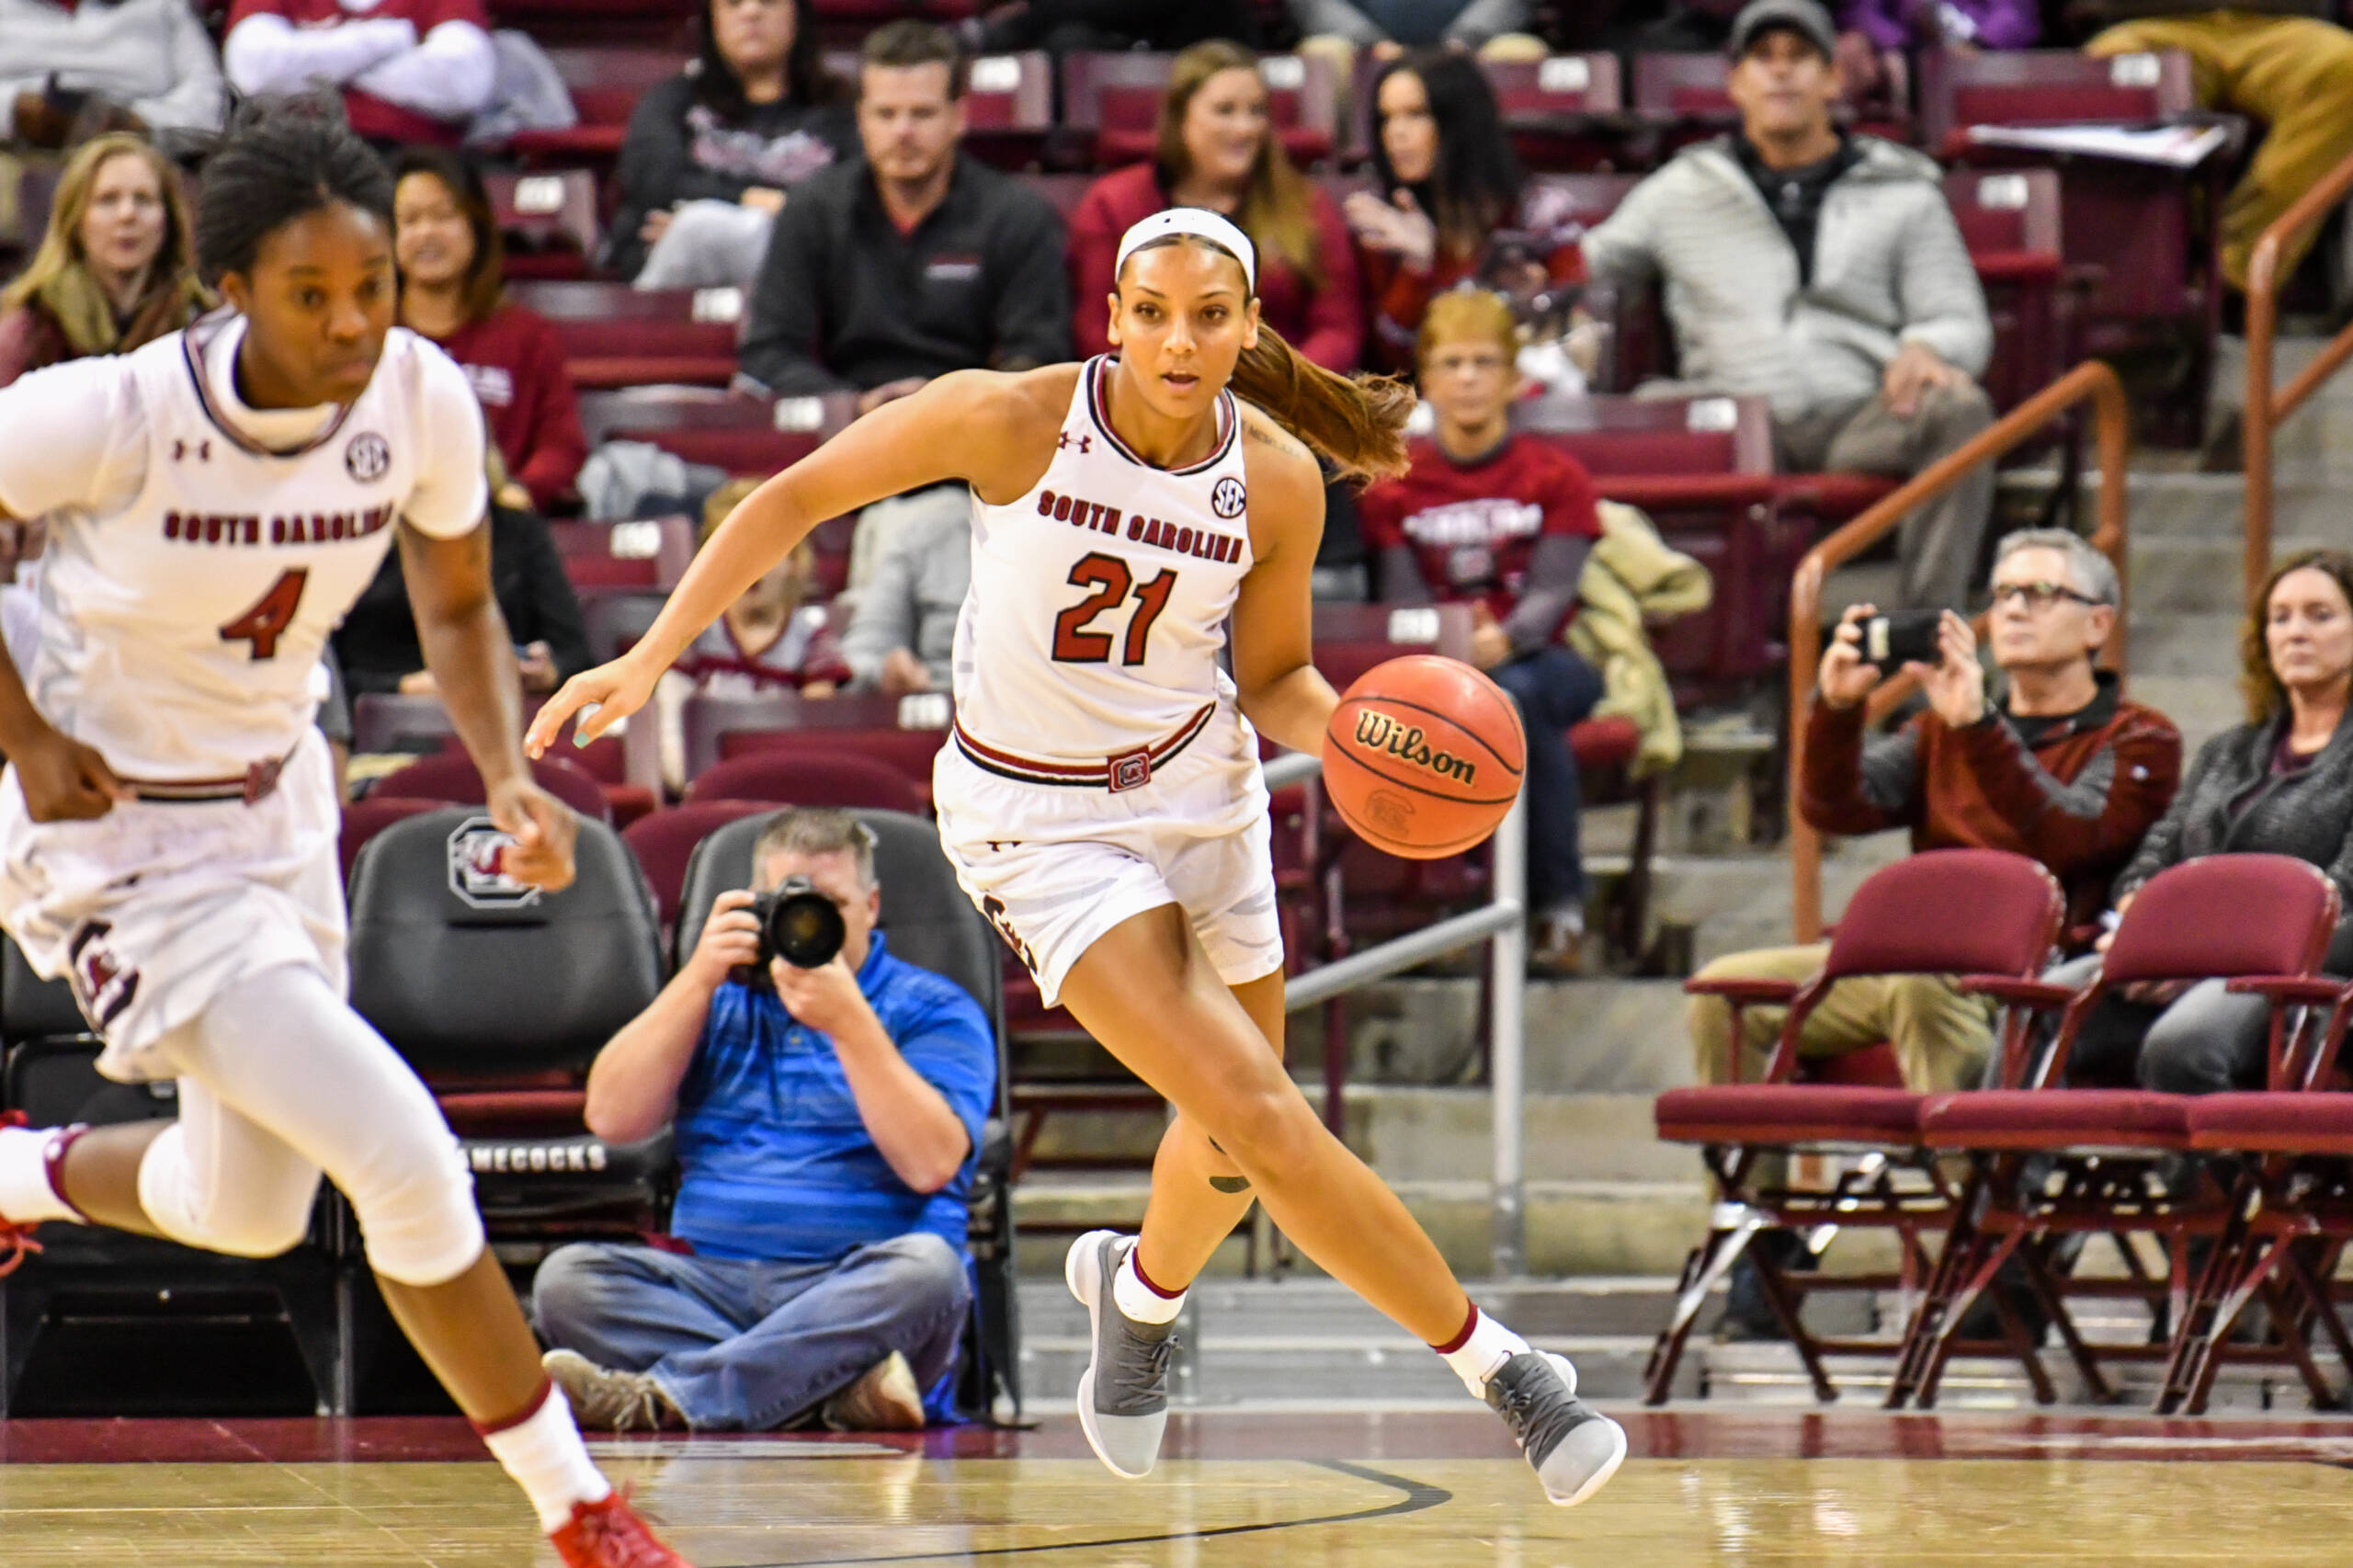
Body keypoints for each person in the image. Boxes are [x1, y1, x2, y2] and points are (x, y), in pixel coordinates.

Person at [527, 205, 1629, 1506]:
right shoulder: (1012, 419)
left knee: (1227, 1137)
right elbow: (796, 494)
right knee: (1267, 1116)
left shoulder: (1273, 478)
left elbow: (1272, 674)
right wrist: (651, 656)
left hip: (1199, 787)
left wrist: (1351, 738)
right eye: (1151, 311)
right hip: (1037, 820)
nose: (1178, 338)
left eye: (1209, 316)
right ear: (1113, 317)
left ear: (1248, 327)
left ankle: (1139, 1287)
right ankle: (1509, 1373)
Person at [0, 98, 686, 1565]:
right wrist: (26, 731)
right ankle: (582, 1507)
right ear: (229, 289)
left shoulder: (421, 398)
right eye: (310, 295)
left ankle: (13, 1172)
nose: (352, 323)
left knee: (244, 1205)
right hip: (111, 840)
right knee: (404, 1157)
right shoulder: (111, 413)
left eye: (370, 287)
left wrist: (504, 773)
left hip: (276, 806)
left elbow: (456, 602)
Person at [1691, 528, 2178, 1338]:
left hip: (2034, 975)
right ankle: (1761, 1240)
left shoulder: (2139, 736)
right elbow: (1835, 807)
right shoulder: (1936, 729)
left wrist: (1981, 726)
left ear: (2099, 624)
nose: (2014, 609)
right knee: (1728, 989)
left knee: (1922, 986)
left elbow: (2073, 836)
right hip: (1915, 958)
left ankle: (1989, 1235)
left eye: (2041, 594)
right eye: (2004, 593)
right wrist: (1839, 707)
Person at [534, 809, 995, 1433]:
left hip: (857, 1282)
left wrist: (849, 1022)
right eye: (790, 904)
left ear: (870, 905)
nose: (809, 922)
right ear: (756, 908)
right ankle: (830, 1391)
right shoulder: (715, 998)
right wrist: (696, 979)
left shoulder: (933, 1009)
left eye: (830, 903)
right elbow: (612, 1119)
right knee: (568, 1282)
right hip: (711, 1280)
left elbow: (932, 1164)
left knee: (930, 1272)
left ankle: (669, 1400)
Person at [1580, 0, 1995, 613]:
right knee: (1646, 413)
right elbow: (1584, 267)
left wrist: (1928, 346)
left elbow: (1961, 316)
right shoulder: (1680, 188)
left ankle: (1924, 630)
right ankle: (1706, 636)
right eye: (1763, 59)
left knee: (1960, 407)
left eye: (1799, 58)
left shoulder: (1902, 187)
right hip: (1736, 416)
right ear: (1735, 81)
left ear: (1832, 78)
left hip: (1864, 413)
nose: (1780, 73)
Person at [739, 22, 1072, 698]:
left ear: (959, 117)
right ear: (860, 118)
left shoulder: (1017, 218)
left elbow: (1040, 358)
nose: (904, 132)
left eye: (922, 113)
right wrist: (854, 408)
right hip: (846, 442)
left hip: (971, 453)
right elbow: (768, 350)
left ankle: (917, 678)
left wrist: (950, 408)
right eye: (886, 114)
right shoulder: (814, 210)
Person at [1357, 290, 1604, 968]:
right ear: (1426, 379)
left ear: (1514, 378)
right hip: (1441, 665)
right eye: (1453, 363)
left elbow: (1554, 592)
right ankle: (1440, 902)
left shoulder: (1557, 476)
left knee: (1514, 703)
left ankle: (1558, 905)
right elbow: (1404, 600)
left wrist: (1505, 639)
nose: (1468, 378)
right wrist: (1455, 650)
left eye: (1484, 363)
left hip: (1547, 659)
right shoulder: (1393, 485)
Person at [2053, 549, 2353, 1096]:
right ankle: (2000, 1175)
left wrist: (2207, 952)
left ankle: (2207, 1183)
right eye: (2280, 618)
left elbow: (2343, 896)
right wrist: (2139, 916)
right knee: (2041, 1008)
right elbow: (2155, 855)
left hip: (2304, 976)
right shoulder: (2227, 752)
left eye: (2320, 615)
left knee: (2184, 1043)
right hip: (2177, 960)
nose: (2295, 633)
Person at [1067, 40, 1363, 374]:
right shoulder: (1113, 204)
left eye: (1256, 111)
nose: (1245, 128)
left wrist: (1282, 387)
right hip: (1154, 400)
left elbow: (1337, 329)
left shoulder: (1306, 206)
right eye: (1225, 110)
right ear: (1181, 119)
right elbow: (1098, 330)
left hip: (1282, 404)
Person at [2059, 0, 2353, 294]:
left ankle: (2237, 273)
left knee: (2347, 68)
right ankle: (2156, 264)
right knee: (2115, 66)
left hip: (2281, 22)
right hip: (2153, 23)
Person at [1347, 51, 1579, 374]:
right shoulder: (1379, 221)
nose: (1396, 133)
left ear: (1461, 120)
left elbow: (1581, 338)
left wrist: (1534, 304)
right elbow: (1392, 365)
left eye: (1417, 114)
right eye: (1387, 118)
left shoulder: (1539, 212)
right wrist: (1417, 267)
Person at [608, 0, 856, 289]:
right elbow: (655, 181)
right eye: (733, 3)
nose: (751, 12)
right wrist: (759, 201)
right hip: (675, 286)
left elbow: (853, 203)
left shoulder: (843, 109)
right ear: (712, 19)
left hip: (806, 275)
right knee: (701, 230)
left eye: (769, 1)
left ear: (798, 14)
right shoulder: (672, 100)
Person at [392, 147, 585, 513]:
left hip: (500, 526)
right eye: (410, 219)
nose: (426, 233)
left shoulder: (527, 335)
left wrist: (518, 495)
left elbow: (561, 446)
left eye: (444, 216)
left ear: (477, 225)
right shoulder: (370, 336)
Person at [333, 463, 592, 699]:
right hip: (381, 723)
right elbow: (324, 674)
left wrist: (548, 670)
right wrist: (403, 686)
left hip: (502, 708)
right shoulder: (355, 535)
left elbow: (574, 653)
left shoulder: (518, 531)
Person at [0, 132, 210, 389]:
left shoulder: (203, 327)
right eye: (107, 200)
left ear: (168, 219)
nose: (127, 215)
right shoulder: (29, 331)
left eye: (143, 199)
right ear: (76, 220)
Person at [222, 0, 495, 149]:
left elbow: (461, 85)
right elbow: (255, 72)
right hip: (294, 157)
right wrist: (389, 40)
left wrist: (313, 63)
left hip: (409, 163)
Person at [676, 492, 847, 695]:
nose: (749, 566)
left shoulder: (813, 639)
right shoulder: (689, 633)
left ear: (795, 559)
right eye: (733, 551)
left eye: (765, 551)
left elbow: (817, 717)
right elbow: (670, 714)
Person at [2, 0, 226, 149]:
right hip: (18, 150)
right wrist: (12, 109)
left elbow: (208, 106)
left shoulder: (165, 8)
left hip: (143, 152)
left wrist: (139, 124)